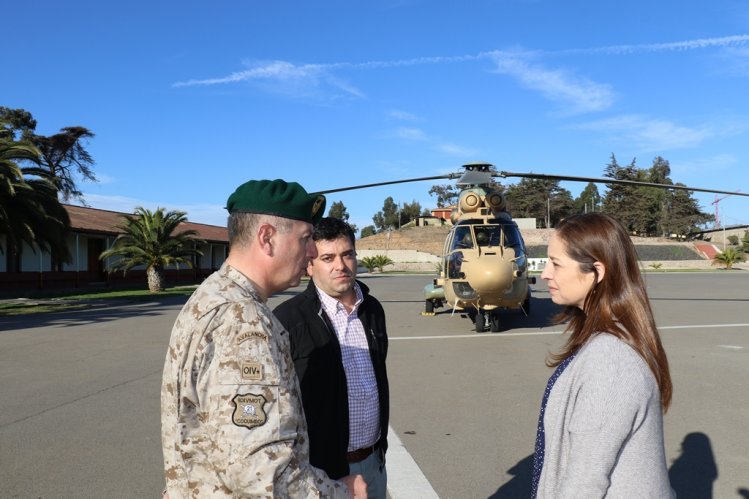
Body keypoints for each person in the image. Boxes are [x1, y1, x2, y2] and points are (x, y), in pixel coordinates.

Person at [160, 180, 367, 498]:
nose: (312, 251)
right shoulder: (243, 322)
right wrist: (339, 492)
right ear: (267, 237)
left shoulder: (213, 297)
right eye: (306, 238)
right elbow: (260, 475)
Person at [532, 212, 675, 498]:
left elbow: (584, 482)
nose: (545, 273)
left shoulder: (611, 360)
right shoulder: (609, 339)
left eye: (556, 264)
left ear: (597, 271)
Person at [274, 217, 390, 499]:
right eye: (328, 257)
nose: (341, 265)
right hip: (322, 471)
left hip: (374, 461)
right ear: (309, 264)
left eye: (347, 254)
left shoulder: (372, 309)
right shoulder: (288, 320)